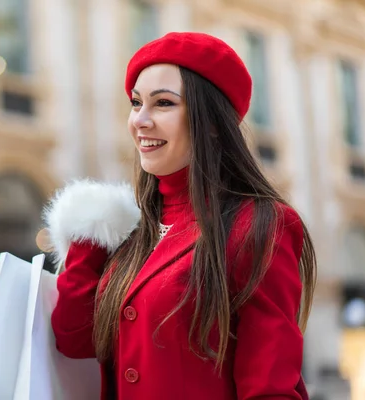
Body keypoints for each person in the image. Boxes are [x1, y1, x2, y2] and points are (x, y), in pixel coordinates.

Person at [46, 32, 316, 399]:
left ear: (212, 121)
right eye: (136, 102)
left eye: (163, 104)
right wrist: (89, 234)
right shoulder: (132, 232)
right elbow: (74, 340)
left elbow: (269, 387)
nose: (140, 121)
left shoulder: (260, 224)